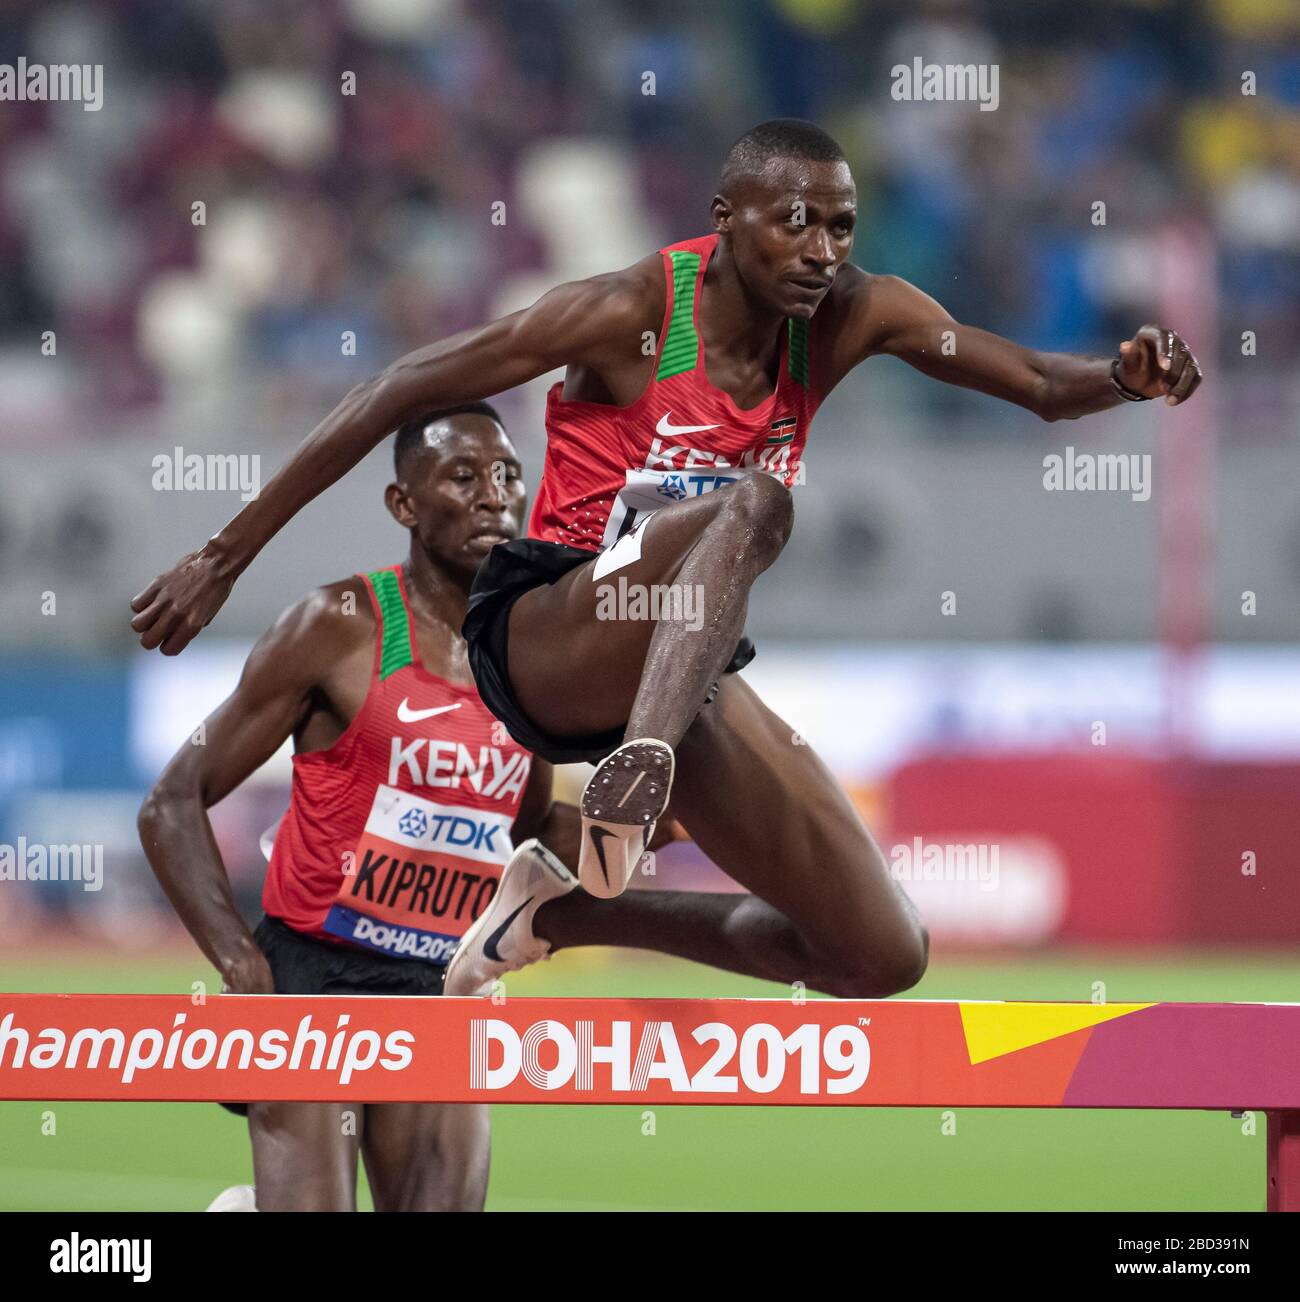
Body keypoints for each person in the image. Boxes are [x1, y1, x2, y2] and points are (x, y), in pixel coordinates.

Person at [133, 119, 1203, 1002]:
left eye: (839, 226)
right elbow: (400, 387)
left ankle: (564, 908)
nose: (823, 250)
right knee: (756, 500)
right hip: (546, 629)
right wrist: (226, 553)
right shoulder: (631, 313)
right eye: (794, 224)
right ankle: (630, 777)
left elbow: (1042, 385)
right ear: (725, 223)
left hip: (678, 670)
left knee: (883, 954)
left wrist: (1124, 373)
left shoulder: (857, 313)